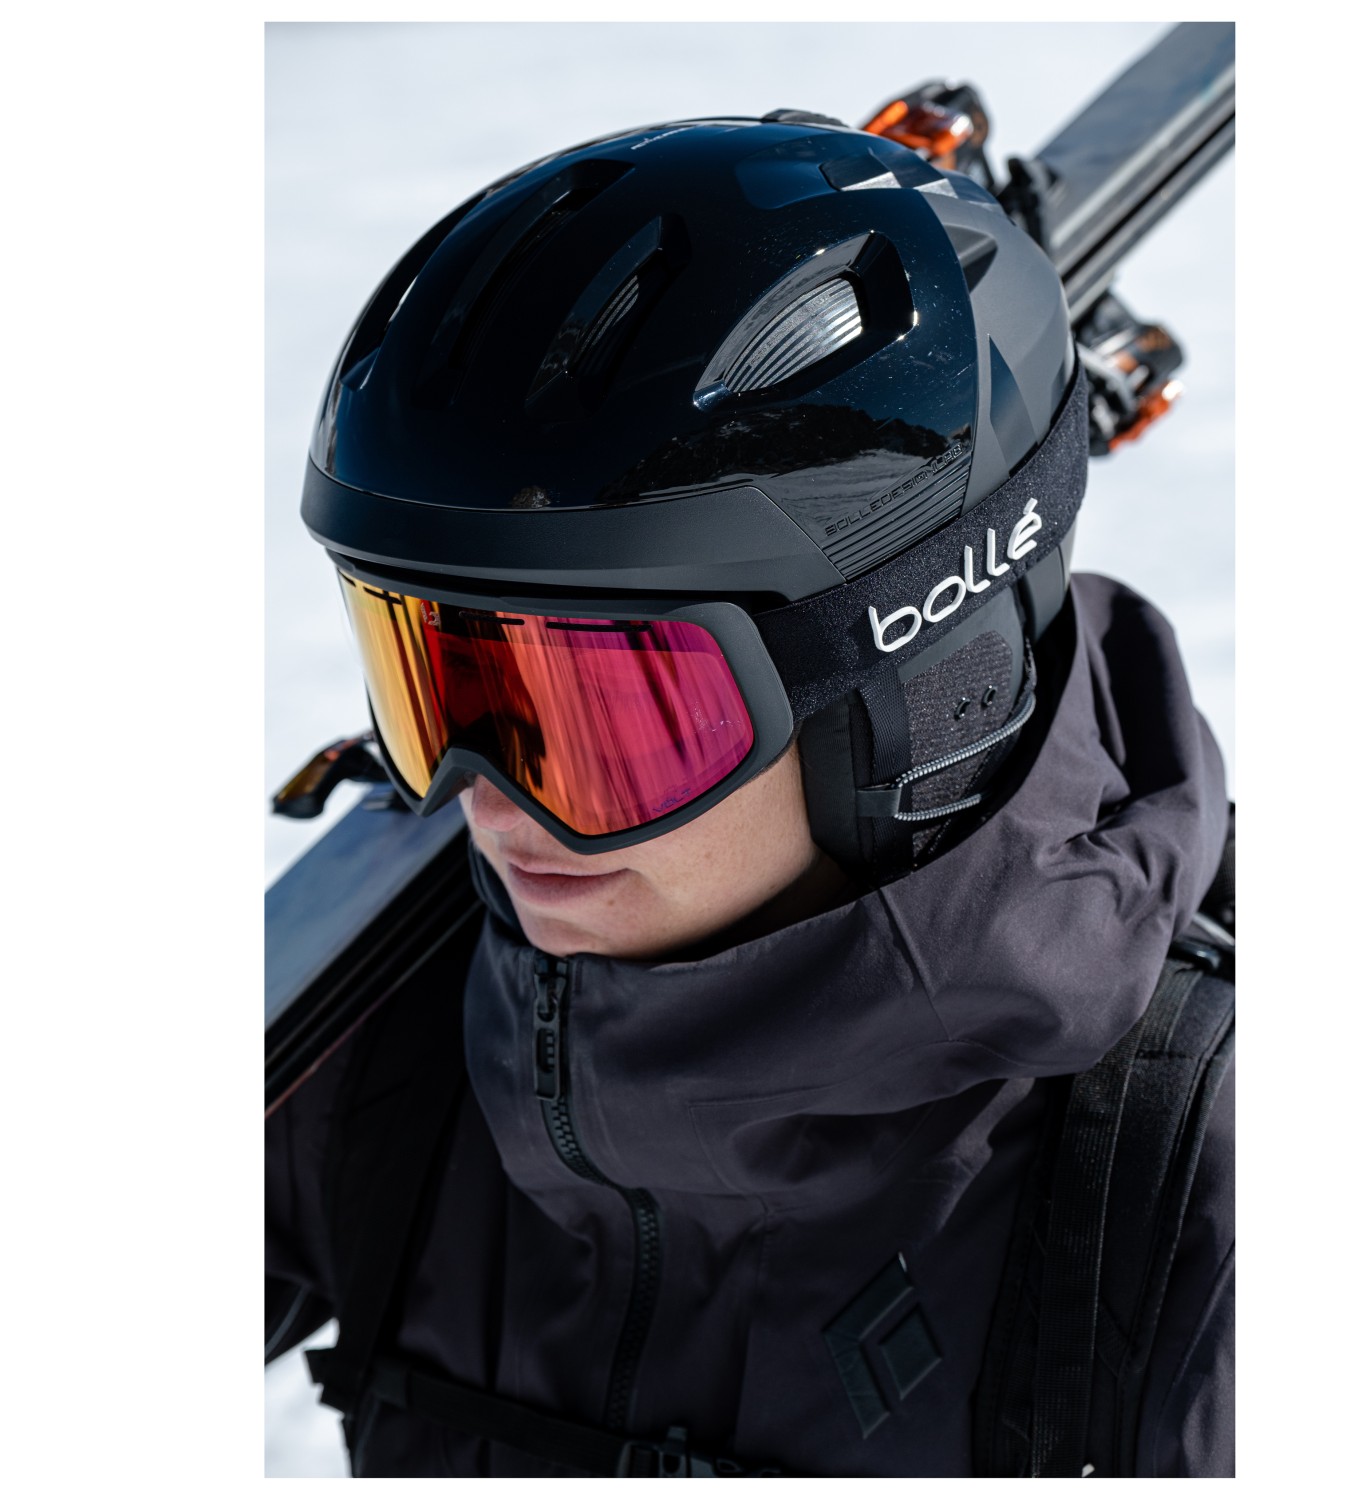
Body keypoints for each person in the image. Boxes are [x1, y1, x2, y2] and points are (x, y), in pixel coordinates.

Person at [266, 111, 1233, 1477]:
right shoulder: (386, 1040)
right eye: (441, 689)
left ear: (915, 689)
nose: (490, 805)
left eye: (607, 720)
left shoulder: (1202, 1203)